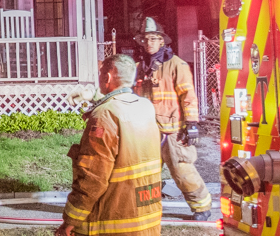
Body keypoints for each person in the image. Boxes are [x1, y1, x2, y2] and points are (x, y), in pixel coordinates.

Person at [56, 54, 162, 236]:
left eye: (100, 74)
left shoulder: (104, 116)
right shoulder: (145, 107)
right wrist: (93, 96)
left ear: (107, 77)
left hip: (114, 225)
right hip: (148, 221)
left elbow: (92, 178)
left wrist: (70, 220)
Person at [134, 17, 212, 221]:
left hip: (173, 131)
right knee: (147, 173)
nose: (149, 42)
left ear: (162, 41)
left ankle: (201, 207)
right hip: (148, 131)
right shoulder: (140, 67)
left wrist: (191, 124)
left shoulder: (176, 64)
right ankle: (147, 210)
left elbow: (188, 95)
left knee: (182, 170)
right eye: (145, 39)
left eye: (153, 38)